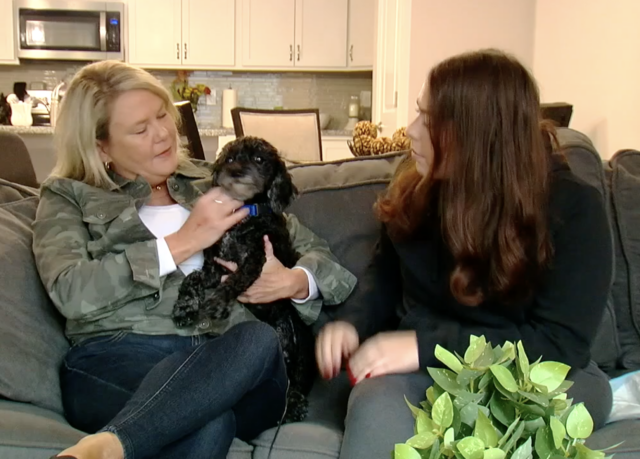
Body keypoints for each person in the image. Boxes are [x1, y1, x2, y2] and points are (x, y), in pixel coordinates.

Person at [34, 60, 357, 459]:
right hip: (119, 355)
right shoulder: (69, 195)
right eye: (140, 129)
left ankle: (114, 444)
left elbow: (323, 257)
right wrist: (179, 243)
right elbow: (70, 289)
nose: (162, 134)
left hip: (230, 359)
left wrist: (293, 281)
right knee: (206, 418)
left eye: (161, 116)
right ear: (100, 145)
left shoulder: (216, 179)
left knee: (257, 340)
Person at [315, 49, 614, 458]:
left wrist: (423, 345)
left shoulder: (574, 208)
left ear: (478, 136)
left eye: (430, 120)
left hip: (530, 374)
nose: (411, 130)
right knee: (375, 406)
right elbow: (384, 275)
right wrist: (353, 323)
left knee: (554, 414)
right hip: (425, 371)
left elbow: (560, 344)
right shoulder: (420, 191)